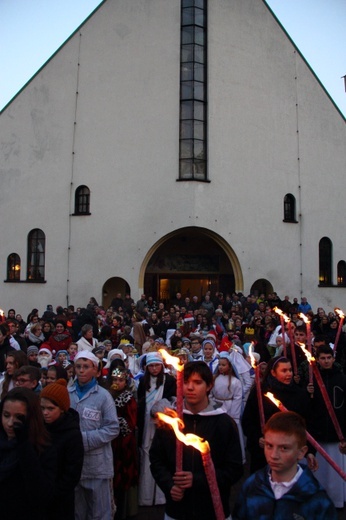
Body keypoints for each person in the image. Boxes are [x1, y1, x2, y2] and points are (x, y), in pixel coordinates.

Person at [149, 361, 243, 520]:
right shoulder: (170, 421)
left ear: (209, 386)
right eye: (185, 382)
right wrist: (169, 485)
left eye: (197, 382)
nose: (190, 388)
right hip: (177, 510)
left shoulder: (224, 423)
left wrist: (198, 479)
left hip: (212, 510)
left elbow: (234, 469)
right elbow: (157, 460)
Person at [234, 412, 337, 520]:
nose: (274, 455)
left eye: (284, 448)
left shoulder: (316, 500)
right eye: (269, 446)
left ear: (301, 452)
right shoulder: (252, 486)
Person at [69, 350, 119, 520]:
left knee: (100, 512)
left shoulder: (104, 397)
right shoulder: (68, 395)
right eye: (78, 367)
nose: (81, 370)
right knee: (78, 511)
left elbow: (112, 428)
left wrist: (83, 440)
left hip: (97, 465)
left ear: (96, 371)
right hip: (74, 464)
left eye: (86, 367)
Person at [242, 356, 315, 473]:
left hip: (289, 453)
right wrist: (257, 438)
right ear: (273, 372)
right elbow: (248, 419)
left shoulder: (298, 394)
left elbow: (307, 423)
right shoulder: (261, 392)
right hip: (263, 454)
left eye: (290, 370)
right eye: (284, 370)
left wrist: (310, 451)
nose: (289, 374)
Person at [0, 387, 57, 519]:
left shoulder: (43, 448)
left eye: (18, 417)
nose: (10, 423)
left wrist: (24, 445)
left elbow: (42, 493)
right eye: (6, 415)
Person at [308, 345, 346, 508]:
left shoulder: (342, 378)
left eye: (328, 358)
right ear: (318, 360)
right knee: (321, 471)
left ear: (333, 358)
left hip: (338, 433)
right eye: (322, 358)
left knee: (336, 472)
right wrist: (307, 391)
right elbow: (308, 406)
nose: (326, 361)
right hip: (319, 432)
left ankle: (338, 500)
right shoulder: (313, 379)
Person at [40, 378, 84, 520]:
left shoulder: (72, 434)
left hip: (60, 500)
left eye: (50, 409)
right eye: (42, 408)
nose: (45, 413)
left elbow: (72, 473)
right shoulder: (40, 428)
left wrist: (53, 493)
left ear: (62, 409)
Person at [137, 351, 176, 506]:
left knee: (163, 456)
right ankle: (146, 497)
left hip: (163, 423)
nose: (154, 369)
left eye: (157, 365)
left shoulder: (169, 380)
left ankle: (161, 497)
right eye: (151, 366)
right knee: (147, 455)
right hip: (146, 423)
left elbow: (173, 400)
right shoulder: (142, 382)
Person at [107, 362, 139, 519]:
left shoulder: (129, 398)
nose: (117, 383)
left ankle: (124, 511)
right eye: (115, 380)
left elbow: (131, 424)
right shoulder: (108, 396)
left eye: (120, 380)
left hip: (124, 443)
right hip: (110, 442)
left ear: (125, 382)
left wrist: (114, 421)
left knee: (124, 476)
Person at [210, 352, 246, 463]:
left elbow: (237, 398)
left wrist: (234, 416)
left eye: (223, 365)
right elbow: (210, 394)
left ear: (229, 366)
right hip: (216, 406)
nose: (221, 367)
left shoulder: (235, 382)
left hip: (229, 408)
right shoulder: (214, 379)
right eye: (219, 365)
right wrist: (212, 407)